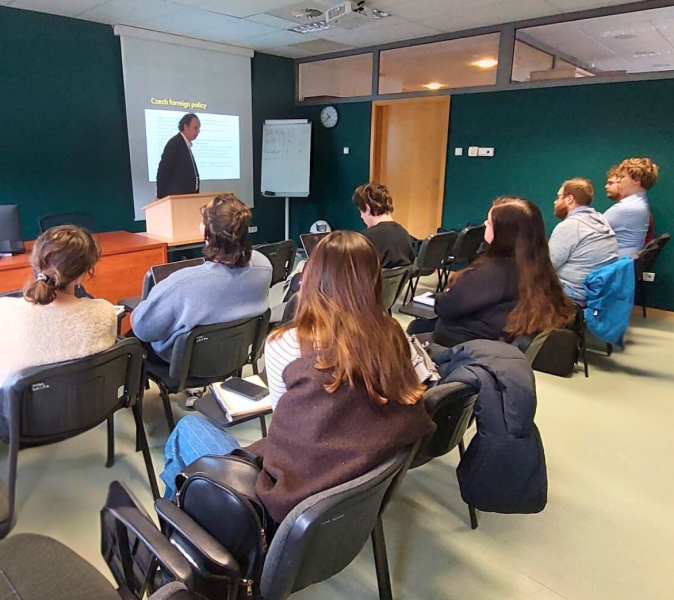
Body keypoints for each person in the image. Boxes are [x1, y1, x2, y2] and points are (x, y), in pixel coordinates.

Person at [161, 231, 436, 523]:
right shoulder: (394, 334)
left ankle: (180, 535)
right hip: (355, 483)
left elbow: (285, 420)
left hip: (292, 495)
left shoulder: (284, 343)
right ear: (374, 278)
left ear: (311, 279)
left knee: (186, 430)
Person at [408, 196, 574, 348]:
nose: (484, 225)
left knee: (409, 335)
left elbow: (444, 307)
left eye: (489, 222)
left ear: (504, 234)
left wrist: (449, 293)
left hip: (464, 351)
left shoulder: (491, 274)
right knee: (420, 326)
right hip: (499, 345)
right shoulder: (536, 266)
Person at [131, 193, 272, 365]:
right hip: (237, 353)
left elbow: (143, 330)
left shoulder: (181, 283)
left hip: (187, 363)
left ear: (206, 231)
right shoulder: (264, 266)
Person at [0, 226, 117, 385]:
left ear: (35, 263)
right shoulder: (105, 312)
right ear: (82, 274)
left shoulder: (5, 311)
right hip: (91, 407)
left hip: (23, 409)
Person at [549, 178, 618, 304]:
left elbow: (547, 266)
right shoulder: (600, 220)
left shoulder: (570, 226)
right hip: (597, 291)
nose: (555, 202)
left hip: (573, 292)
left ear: (570, 199)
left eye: (558, 197)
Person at [603, 157, 659, 257]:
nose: (619, 181)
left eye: (623, 177)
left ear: (636, 180)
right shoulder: (641, 203)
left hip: (614, 265)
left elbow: (587, 230)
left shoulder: (625, 208)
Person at [353, 182, 415, 268]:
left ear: (367, 208)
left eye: (361, 211)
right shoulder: (404, 233)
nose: (361, 216)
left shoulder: (364, 239)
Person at [156, 113, 201, 199]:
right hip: (177, 198)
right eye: (195, 128)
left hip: (187, 197)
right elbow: (163, 171)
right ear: (185, 127)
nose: (198, 131)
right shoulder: (175, 144)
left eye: (199, 128)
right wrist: (160, 195)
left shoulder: (184, 144)